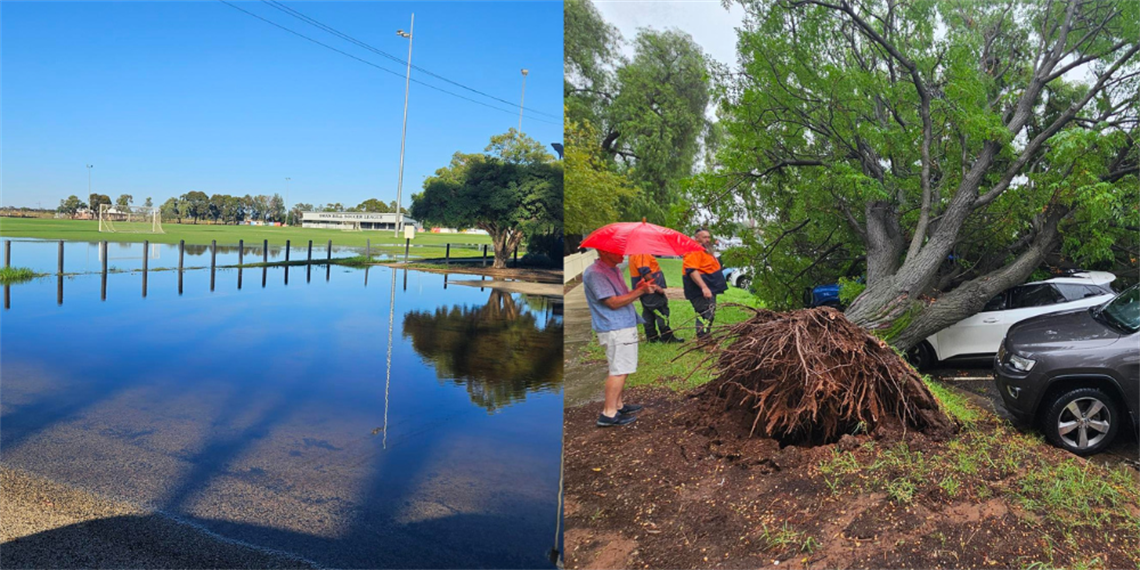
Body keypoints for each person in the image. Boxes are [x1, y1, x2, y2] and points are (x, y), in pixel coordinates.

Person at [583, 249, 660, 427]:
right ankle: (608, 414)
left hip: (624, 324)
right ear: (603, 251)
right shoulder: (596, 273)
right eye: (615, 250)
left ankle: (618, 405)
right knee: (618, 370)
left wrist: (637, 287)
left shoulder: (614, 269)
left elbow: (623, 296)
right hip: (615, 328)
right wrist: (640, 291)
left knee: (623, 368)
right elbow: (613, 302)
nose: (621, 253)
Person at [682, 229, 727, 339]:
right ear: (697, 238)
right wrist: (704, 287)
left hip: (710, 288)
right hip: (700, 290)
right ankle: (703, 338)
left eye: (708, 237)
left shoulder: (704, 250)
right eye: (704, 237)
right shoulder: (694, 250)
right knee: (705, 313)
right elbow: (692, 271)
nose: (707, 240)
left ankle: (706, 336)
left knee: (709, 312)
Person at [628, 253, 682, 343]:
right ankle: (667, 337)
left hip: (644, 288)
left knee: (648, 312)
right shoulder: (641, 253)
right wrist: (656, 286)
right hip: (650, 289)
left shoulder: (634, 254)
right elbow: (644, 270)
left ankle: (651, 336)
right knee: (661, 311)